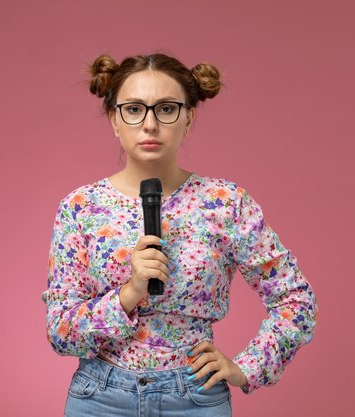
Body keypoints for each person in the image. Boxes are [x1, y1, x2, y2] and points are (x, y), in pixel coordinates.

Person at [41, 52, 318, 416]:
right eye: (134, 109)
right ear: (114, 120)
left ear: (188, 118)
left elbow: (295, 299)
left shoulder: (224, 203)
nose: (150, 124)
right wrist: (129, 293)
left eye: (167, 109)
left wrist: (247, 366)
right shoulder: (80, 207)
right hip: (101, 397)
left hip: (194, 398)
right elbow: (61, 332)